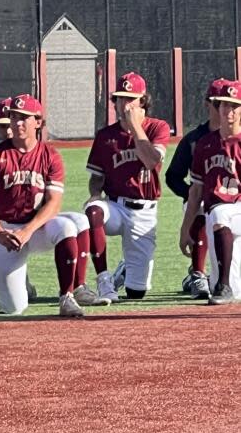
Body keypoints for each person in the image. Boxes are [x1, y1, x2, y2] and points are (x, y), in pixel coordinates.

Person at [0, 94, 85, 317]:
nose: (18, 123)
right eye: (14, 117)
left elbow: (54, 203)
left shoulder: (50, 155)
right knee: (14, 308)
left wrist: (27, 230)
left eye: (24, 117)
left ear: (38, 122)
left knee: (67, 227)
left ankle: (67, 296)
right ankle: (22, 283)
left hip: (37, 227)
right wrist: (0, 233)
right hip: (4, 230)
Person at [84, 72, 170, 301]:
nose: (124, 104)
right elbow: (97, 176)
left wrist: (134, 127)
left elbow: (152, 161)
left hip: (144, 211)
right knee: (93, 212)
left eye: (130, 98)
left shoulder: (157, 127)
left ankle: (123, 272)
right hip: (116, 207)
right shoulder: (105, 136)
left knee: (136, 292)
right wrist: (94, 194)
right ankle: (103, 280)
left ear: (143, 100)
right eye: (120, 98)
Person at [180, 81, 241, 304]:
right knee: (236, 291)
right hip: (216, 217)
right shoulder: (205, 144)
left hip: (237, 208)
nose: (229, 110)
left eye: (235, 105)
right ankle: (224, 285)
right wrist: (185, 229)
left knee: (219, 213)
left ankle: (222, 286)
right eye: (224, 105)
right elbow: (195, 191)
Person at [166, 79, 226, 299]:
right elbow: (173, 176)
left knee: (228, 281)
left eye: (228, 104)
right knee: (201, 208)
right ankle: (199, 275)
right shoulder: (194, 140)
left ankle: (204, 275)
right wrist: (192, 195)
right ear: (207, 104)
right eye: (217, 103)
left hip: (233, 203)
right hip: (202, 202)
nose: (223, 108)